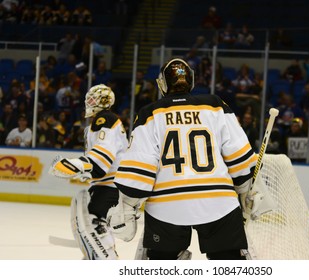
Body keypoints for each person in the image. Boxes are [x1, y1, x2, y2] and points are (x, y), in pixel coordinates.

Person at [111, 58, 265, 260]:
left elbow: (139, 170)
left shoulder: (149, 114)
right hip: (218, 202)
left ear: (163, 84)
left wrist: (127, 206)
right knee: (230, 263)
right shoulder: (216, 106)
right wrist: (245, 191)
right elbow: (240, 158)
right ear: (191, 81)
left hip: (167, 207)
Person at [48, 84, 130, 260]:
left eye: (93, 98)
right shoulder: (100, 121)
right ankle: (100, 257)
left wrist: (77, 165)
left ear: (104, 101)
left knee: (93, 223)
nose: (88, 101)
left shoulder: (105, 119)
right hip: (107, 184)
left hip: (110, 185)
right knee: (94, 223)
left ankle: (105, 260)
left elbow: (102, 158)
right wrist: (83, 169)